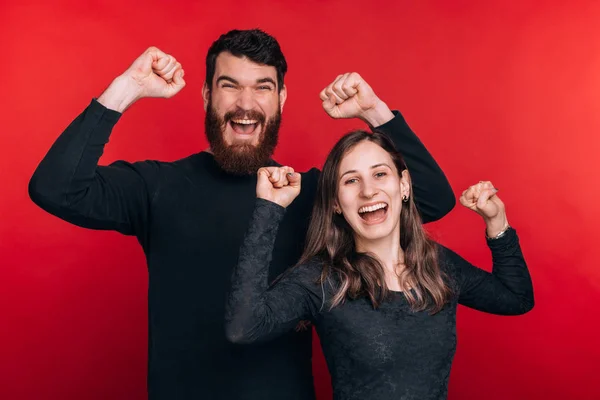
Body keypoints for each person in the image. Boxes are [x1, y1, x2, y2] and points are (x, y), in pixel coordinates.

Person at [28, 29, 455, 399]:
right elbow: (55, 189)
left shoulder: (308, 194)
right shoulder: (158, 187)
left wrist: (374, 112)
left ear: (282, 98)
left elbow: (432, 200)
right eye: (230, 85)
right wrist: (127, 87)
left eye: (263, 87)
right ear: (207, 95)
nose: (245, 104)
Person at [225, 130, 534, 400]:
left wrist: (496, 221)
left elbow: (517, 298)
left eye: (380, 174)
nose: (368, 191)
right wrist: (269, 208)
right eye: (351, 180)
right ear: (335, 203)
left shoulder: (438, 266)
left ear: (404, 186)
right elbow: (243, 328)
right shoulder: (321, 279)